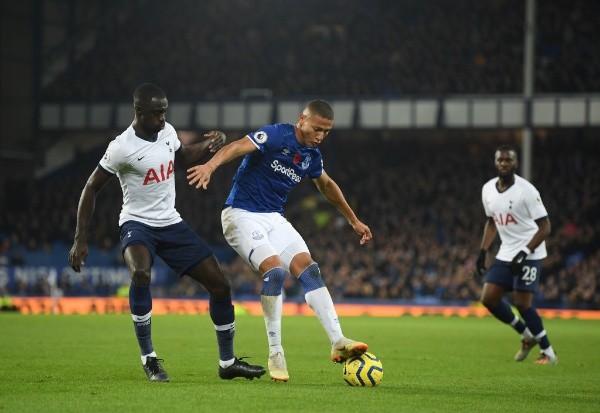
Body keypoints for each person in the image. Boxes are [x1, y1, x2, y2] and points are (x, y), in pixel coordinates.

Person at [68, 83, 266, 382]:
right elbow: (91, 188)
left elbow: (179, 158)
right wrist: (80, 238)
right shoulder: (121, 147)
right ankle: (149, 359)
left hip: (171, 223)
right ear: (138, 111)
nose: (162, 118)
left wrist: (208, 146)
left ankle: (227, 363)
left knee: (221, 285)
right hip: (137, 223)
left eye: (164, 112)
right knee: (141, 275)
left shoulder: (167, 131)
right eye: (156, 113)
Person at [187, 99, 372, 381]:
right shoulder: (276, 135)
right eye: (317, 129)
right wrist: (210, 166)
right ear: (302, 120)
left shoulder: (312, 156)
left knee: (309, 269)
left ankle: (338, 340)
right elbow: (237, 147)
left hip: (273, 217)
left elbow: (327, 185)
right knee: (274, 272)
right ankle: (276, 352)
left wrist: (353, 219)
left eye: (326, 132)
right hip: (241, 214)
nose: (321, 136)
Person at [476, 144, 558, 364]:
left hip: (530, 251)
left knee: (522, 303)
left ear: (516, 163)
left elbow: (545, 226)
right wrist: (483, 250)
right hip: (506, 250)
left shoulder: (527, 191)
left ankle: (549, 352)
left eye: (508, 160)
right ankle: (526, 335)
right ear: (495, 163)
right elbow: (492, 222)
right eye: (500, 160)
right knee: (489, 298)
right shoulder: (488, 190)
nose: (504, 163)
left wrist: (525, 251)